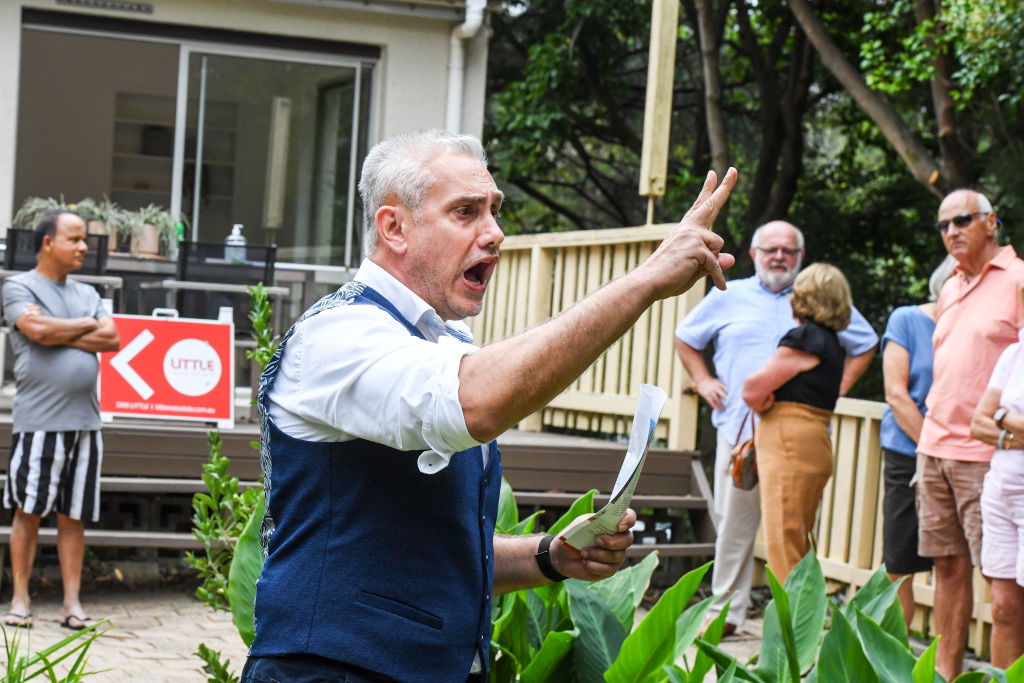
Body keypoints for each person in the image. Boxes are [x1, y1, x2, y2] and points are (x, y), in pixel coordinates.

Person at [241, 129, 739, 682]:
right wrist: (646, 279)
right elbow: (477, 402)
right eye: (466, 212)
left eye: (495, 211)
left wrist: (550, 556)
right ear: (394, 228)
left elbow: (434, 548)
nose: (496, 233)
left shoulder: (447, 344)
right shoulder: (336, 335)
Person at [673, 220, 877, 634]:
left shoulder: (817, 300)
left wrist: (828, 390)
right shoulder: (729, 293)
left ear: (801, 257)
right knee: (734, 523)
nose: (779, 257)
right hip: (739, 431)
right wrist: (705, 380)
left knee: (792, 532)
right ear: (754, 253)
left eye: (788, 251)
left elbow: (867, 342)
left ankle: (799, 623)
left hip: (790, 436)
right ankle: (726, 615)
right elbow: (685, 336)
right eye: (771, 250)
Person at [916, 189, 1024, 680]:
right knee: (947, 571)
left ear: (991, 222)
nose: (951, 231)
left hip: (990, 455)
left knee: (1004, 590)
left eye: (961, 220)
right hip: (934, 447)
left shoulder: (1019, 279)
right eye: (943, 225)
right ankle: (947, 675)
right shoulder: (952, 286)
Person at [2, 210, 120, 630]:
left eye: (84, 239)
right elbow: (37, 333)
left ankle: (72, 603)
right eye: (74, 239)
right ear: (48, 243)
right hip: (39, 423)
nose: (84, 247)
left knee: (74, 516)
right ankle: (20, 600)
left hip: (87, 424)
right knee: (28, 512)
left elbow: (113, 338)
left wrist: (57, 327)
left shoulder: (88, 291)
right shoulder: (17, 285)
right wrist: (83, 327)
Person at [740, 263, 850, 582]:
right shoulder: (832, 343)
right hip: (814, 441)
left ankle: (792, 630)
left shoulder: (805, 338)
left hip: (789, 442)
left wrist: (762, 400)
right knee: (798, 541)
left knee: (783, 545)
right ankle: (805, 624)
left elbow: (751, 389)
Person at [880, 255, 955, 628]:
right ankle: (891, 657)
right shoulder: (908, 319)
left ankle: (942, 664)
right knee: (899, 562)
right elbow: (896, 394)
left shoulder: (978, 329)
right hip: (908, 453)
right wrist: (933, 445)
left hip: (960, 456)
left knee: (952, 564)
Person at [970, 300, 1024, 669]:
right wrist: (1008, 427)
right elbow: (978, 421)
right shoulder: (1015, 352)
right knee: (1003, 608)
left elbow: (993, 416)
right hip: (1001, 490)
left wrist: (1003, 418)